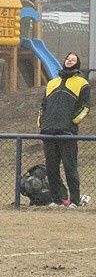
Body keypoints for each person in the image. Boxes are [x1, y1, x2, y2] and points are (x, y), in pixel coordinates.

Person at [39, 51, 90, 208]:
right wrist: (42, 122)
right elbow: (43, 106)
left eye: (73, 59)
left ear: (77, 64)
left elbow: (85, 107)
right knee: (52, 168)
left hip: (67, 133)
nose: (69, 60)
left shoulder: (82, 84)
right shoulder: (52, 83)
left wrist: (72, 121)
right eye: (68, 58)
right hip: (49, 132)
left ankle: (74, 200)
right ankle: (56, 199)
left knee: (70, 167)